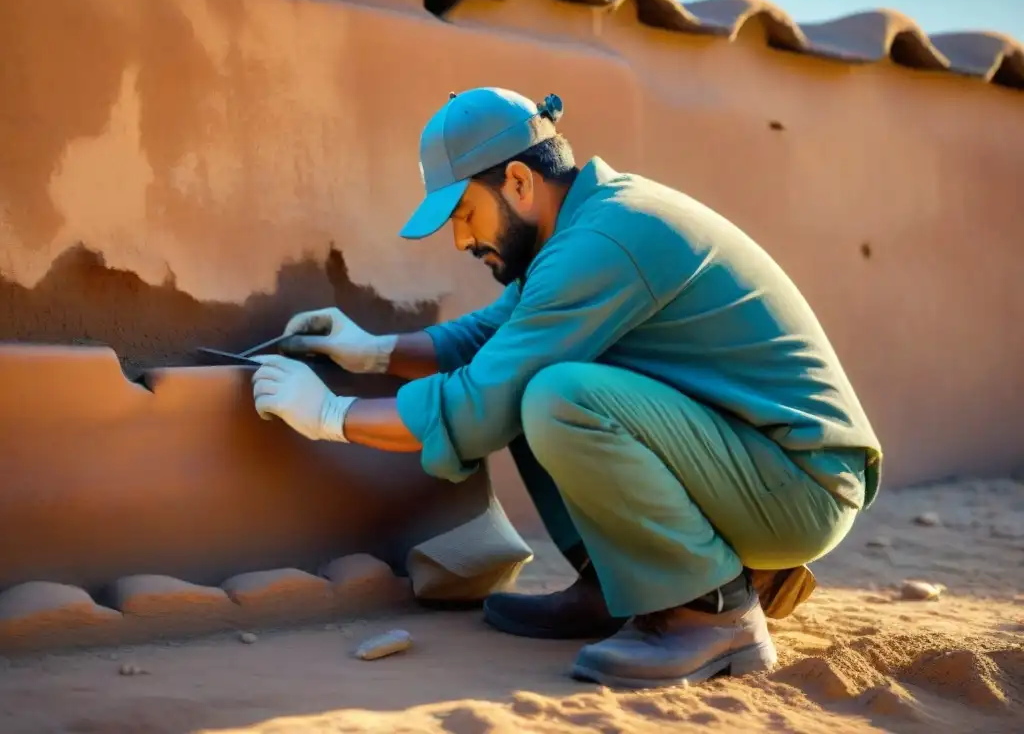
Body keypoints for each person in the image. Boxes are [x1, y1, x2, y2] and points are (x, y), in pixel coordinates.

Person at [249, 87, 883, 689]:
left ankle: (710, 613)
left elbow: (480, 404)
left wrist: (330, 413)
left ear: (519, 182)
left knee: (554, 396)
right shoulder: (583, 229)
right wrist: (370, 352)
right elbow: (490, 340)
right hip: (754, 461)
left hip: (801, 482)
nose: (462, 238)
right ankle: (618, 586)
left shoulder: (606, 240)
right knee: (528, 372)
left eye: (465, 212)